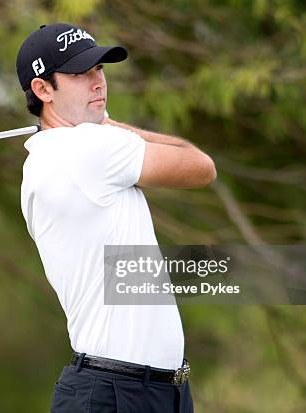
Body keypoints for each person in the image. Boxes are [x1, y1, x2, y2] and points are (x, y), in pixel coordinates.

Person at [16, 23, 215, 413]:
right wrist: (109, 123)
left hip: (136, 389)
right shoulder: (89, 147)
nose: (98, 83)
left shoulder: (44, 160)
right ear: (43, 90)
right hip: (120, 392)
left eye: (99, 69)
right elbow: (201, 167)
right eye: (79, 73)